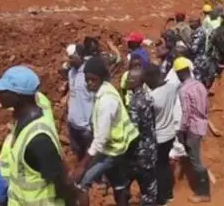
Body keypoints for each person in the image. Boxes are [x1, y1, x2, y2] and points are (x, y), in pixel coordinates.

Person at [0, 66, 77, 205]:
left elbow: (61, 181)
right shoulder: (22, 123)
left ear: (16, 97)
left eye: (3, 91)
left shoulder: (38, 140)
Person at [77, 57, 140, 206]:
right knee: (119, 183)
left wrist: (83, 164)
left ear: (100, 78)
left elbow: (101, 139)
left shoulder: (106, 101)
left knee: (81, 185)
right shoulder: (105, 89)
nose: (89, 83)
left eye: (93, 79)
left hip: (112, 150)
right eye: (87, 80)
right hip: (117, 147)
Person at [174, 57, 211, 203]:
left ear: (178, 73)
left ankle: (204, 193)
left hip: (192, 128)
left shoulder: (184, 90)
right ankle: (203, 189)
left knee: (196, 161)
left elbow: (186, 113)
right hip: (202, 125)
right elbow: (207, 105)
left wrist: (180, 130)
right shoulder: (200, 85)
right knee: (195, 158)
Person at [147, 64, 179, 206]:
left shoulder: (153, 97)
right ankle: (168, 194)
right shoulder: (171, 87)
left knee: (158, 168)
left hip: (158, 136)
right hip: (170, 133)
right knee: (165, 165)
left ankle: (161, 198)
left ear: (152, 77)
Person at [125, 67, 158, 206]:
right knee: (150, 186)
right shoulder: (148, 95)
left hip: (139, 152)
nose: (127, 81)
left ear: (137, 81)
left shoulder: (135, 102)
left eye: (130, 79)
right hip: (151, 147)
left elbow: (133, 130)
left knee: (126, 182)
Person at [65, 43, 95, 160]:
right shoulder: (71, 73)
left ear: (79, 56)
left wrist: (91, 126)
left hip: (86, 127)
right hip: (73, 124)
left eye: (71, 57)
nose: (68, 60)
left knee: (89, 159)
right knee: (78, 155)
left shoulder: (89, 75)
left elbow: (94, 98)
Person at [190, 18, 216, 88]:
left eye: (191, 22)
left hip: (199, 60)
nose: (190, 24)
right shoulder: (201, 30)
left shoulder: (199, 32)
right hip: (203, 58)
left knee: (197, 80)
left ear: (197, 23)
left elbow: (194, 49)